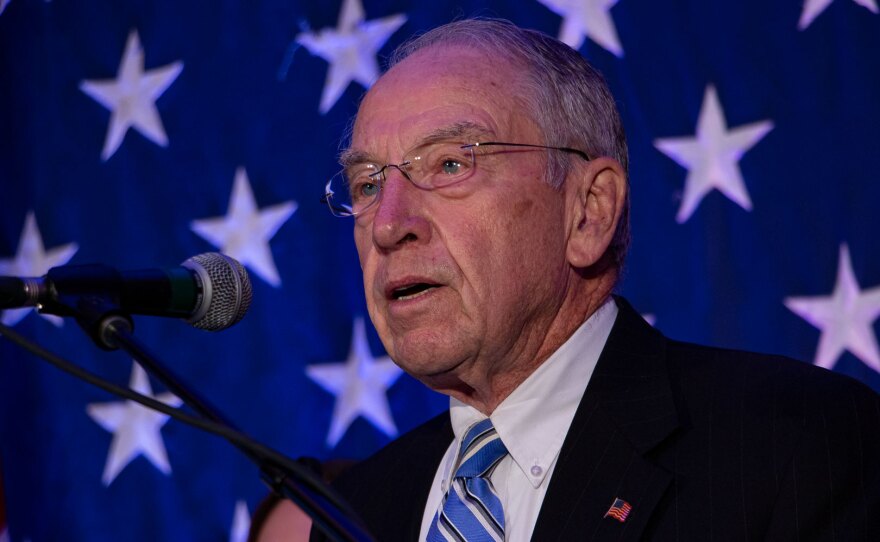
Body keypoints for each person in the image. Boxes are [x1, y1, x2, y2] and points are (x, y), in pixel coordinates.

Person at [313, 18, 880, 542]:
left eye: (450, 164)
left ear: (588, 211)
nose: (388, 225)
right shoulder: (356, 511)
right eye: (367, 185)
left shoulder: (790, 445)